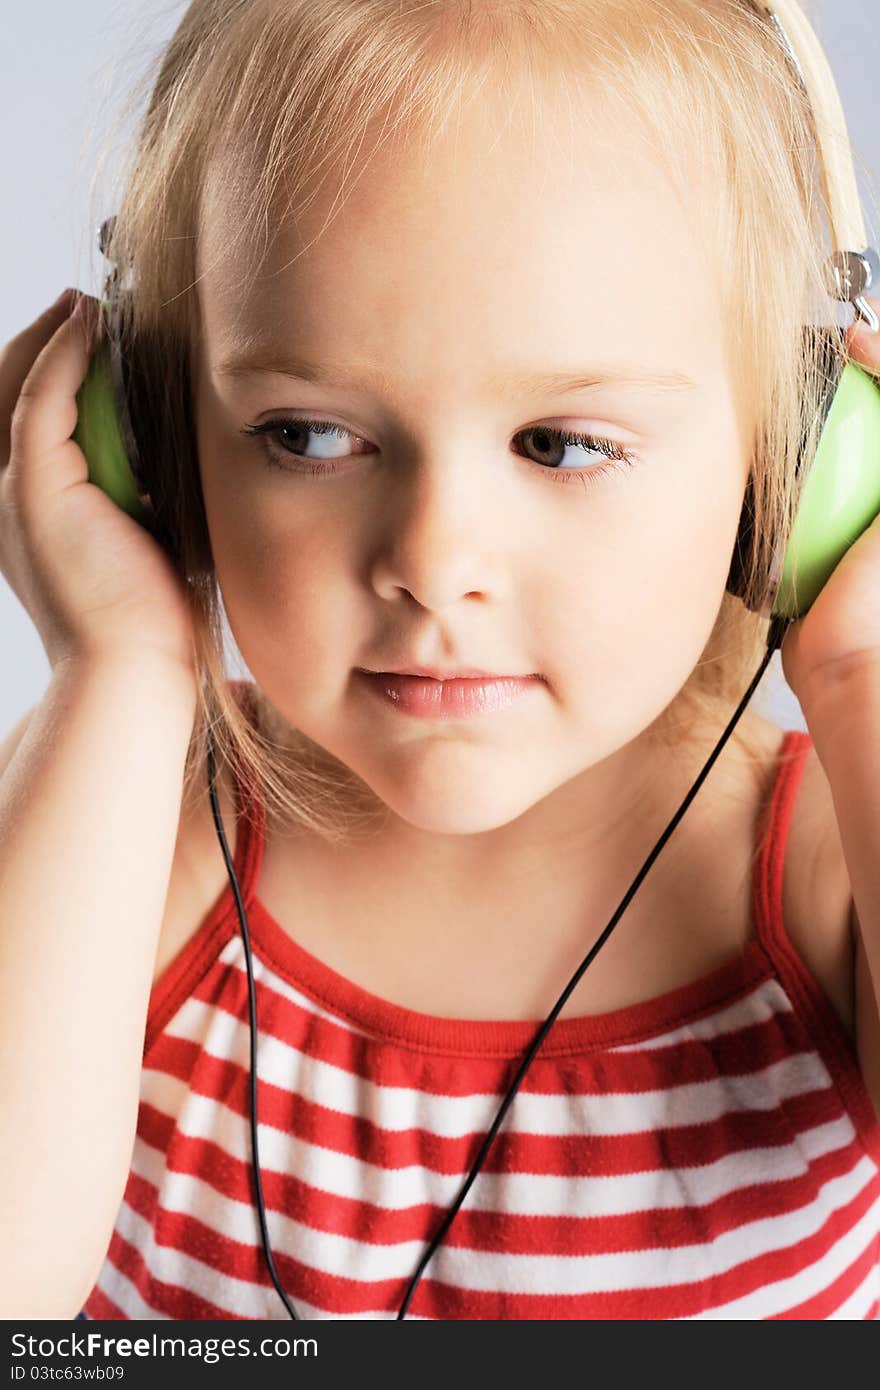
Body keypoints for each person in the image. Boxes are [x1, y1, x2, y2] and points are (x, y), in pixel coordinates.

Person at [1, 0, 879, 1321]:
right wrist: (117, 670)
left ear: (799, 471)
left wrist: (863, 672)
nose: (434, 556)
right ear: (157, 452)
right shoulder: (133, 833)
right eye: (305, 434)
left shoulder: (818, 861)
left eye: (562, 443)